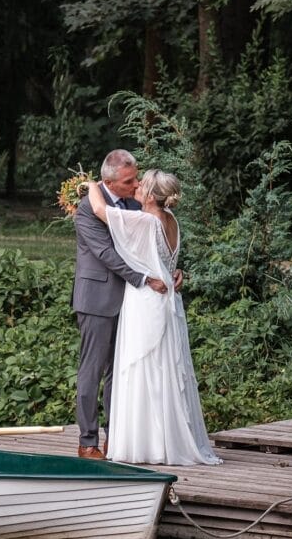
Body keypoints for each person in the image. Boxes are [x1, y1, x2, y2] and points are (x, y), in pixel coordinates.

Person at [85, 170, 221, 466]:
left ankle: (146, 445)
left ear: (149, 194)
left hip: (146, 299)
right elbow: (167, 259)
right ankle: (164, 439)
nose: (136, 185)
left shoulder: (145, 220)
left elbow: (98, 209)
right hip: (168, 295)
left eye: (141, 184)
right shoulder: (171, 219)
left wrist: (91, 184)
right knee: (165, 369)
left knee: (143, 369)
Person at [72, 149, 178, 460]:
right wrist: (146, 279)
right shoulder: (87, 210)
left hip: (134, 304)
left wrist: (169, 272)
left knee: (121, 373)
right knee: (92, 370)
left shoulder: (136, 203)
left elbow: (153, 245)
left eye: (136, 179)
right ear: (108, 181)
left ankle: (116, 438)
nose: (135, 186)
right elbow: (107, 254)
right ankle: (87, 441)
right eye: (129, 181)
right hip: (98, 299)